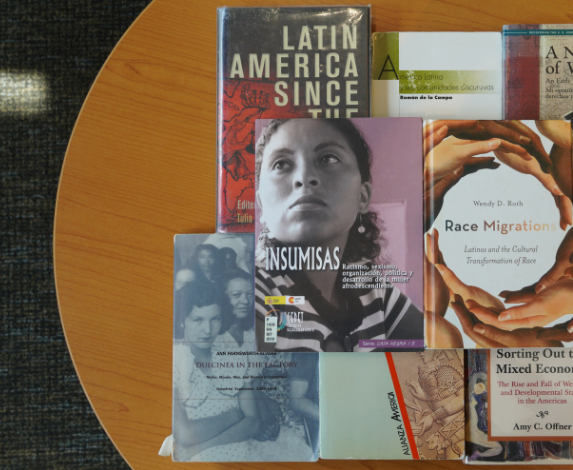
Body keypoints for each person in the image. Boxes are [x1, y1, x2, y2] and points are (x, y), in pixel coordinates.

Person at [253, 119, 422, 352]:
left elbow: (439, 359)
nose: (304, 177)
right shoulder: (250, 289)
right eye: (281, 164)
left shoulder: (374, 291)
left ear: (362, 197)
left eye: (328, 159)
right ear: (261, 204)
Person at [171, 281, 313, 461]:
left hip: (238, 452)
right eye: (198, 320)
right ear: (183, 321)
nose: (207, 330)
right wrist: (234, 416)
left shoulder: (233, 357)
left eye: (215, 319)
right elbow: (186, 434)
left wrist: (199, 446)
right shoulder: (175, 361)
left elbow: (253, 423)